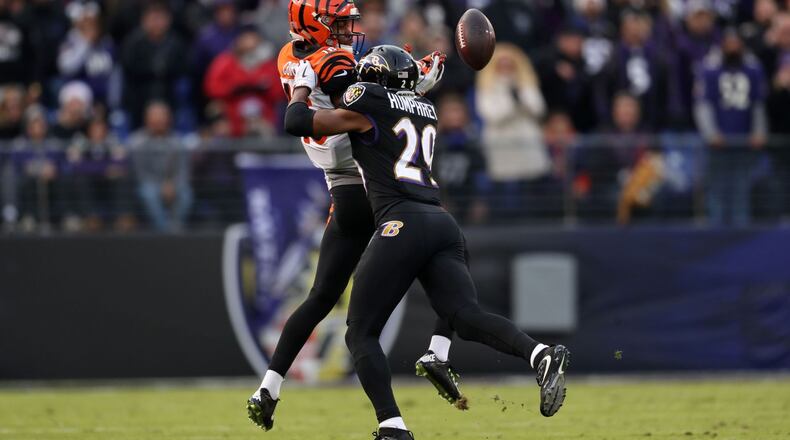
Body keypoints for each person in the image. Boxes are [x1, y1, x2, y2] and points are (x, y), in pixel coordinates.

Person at [284, 45, 571, 440]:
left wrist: (301, 87)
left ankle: (392, 426)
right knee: (465, 316)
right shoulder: (426, 107)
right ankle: (539, 354)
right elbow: (398, 99)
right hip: (441, 221)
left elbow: (297, 121)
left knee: (361, 332)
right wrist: (417, 80)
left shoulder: (370, 100)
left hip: (400, 222)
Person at [245, 0, 462, 432]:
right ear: (316, 24)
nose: (348, 31)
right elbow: (368, 102)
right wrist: (416, 81)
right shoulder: (335, 62)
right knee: (446, 254)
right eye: (340, 23)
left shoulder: (289, 56)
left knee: (321, 295)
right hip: (374, 184)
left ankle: (268, 387)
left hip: (340, 190)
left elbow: (351, 89)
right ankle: (438, 352)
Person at [694, 29, 768, 227]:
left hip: (743, 142)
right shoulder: (710, 69)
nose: (733, 46)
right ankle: (715, 234)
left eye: (736, 42)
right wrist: (711, 133)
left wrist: (758, 131)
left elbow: (758, 103)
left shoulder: (752, 69)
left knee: (741, 190)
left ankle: (740, 234)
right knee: (717, 190)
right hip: (718, 145)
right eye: (729, 43)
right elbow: (703, 104)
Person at [203, 25, 283, 137]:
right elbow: (211, 87)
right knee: (217, 117)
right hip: (232, 113)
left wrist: (260, 88)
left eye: (252, 38)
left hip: (263, 114)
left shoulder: (268, 64)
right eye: (245, 38)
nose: (249, 43)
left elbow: (279, 91)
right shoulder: (225, 61)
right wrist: (234, 88)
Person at [129, 101, 192, 231]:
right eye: (155, 117)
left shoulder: (177, 141)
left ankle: (175, 228)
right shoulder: (137, 142)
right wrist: (161, 185)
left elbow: (182, 170)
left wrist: (172, 184)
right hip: (149, 184)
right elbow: (140, 173)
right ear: (147, 119)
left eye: (161, 116)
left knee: (186, 194)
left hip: (172, 183)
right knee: (149, 194)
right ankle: (163, 231)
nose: (158, 120)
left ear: (169, 119)